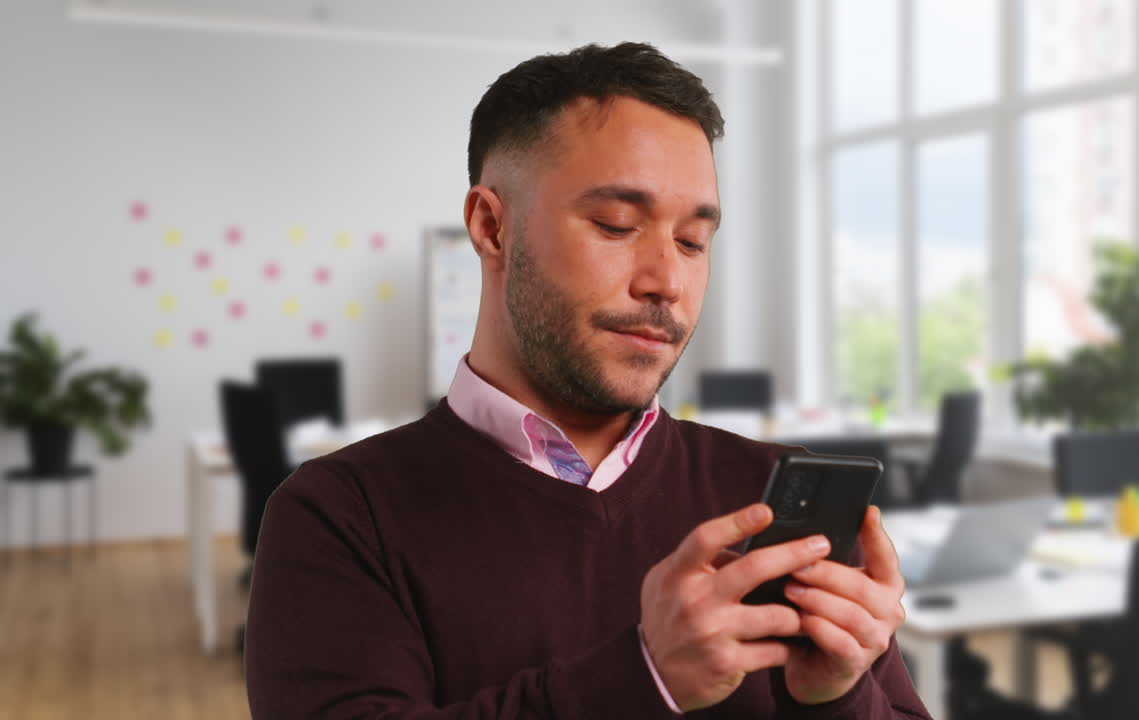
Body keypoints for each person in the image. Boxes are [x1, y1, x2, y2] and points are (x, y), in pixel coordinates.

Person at [245, 42, 931, 720]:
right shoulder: (338, 519)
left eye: (693, 242)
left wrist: (839, 697)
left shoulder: (774, 494)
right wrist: (646, 679)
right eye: (617, 225)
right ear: (491, 227)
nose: (667, 282)